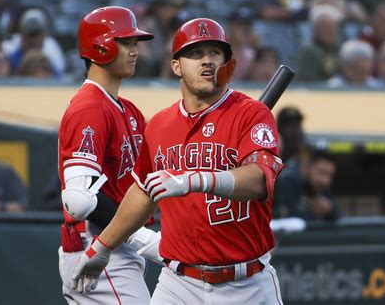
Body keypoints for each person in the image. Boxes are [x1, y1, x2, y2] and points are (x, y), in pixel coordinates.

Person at [70, 18, 285, 304]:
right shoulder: (159, 124)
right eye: (195, 53)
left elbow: (259, 179)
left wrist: (193, 180)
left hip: (246, 284)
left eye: (215, 53)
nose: (207, 61)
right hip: (178, 284)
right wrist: (103, 246)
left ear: (227, 63)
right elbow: (143, 191)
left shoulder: (251, 114)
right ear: (176, 66)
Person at [57, 6, 162, 304]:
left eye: (135, 44)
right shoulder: (90, 107)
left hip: (118, 245)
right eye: (125, 42)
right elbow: (80, 199)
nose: (135, 51)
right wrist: (143, 237)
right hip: (98, 245)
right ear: (100, 46)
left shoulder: (127, 110)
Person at [274, 148, 339, 221]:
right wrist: (315, 214)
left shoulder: (322, 187)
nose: (325, 180)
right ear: (306, 168)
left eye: (330, 175)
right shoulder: (287, 182)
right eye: (321, 172)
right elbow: (290, 217)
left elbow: (339, 218)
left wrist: (330, 211)